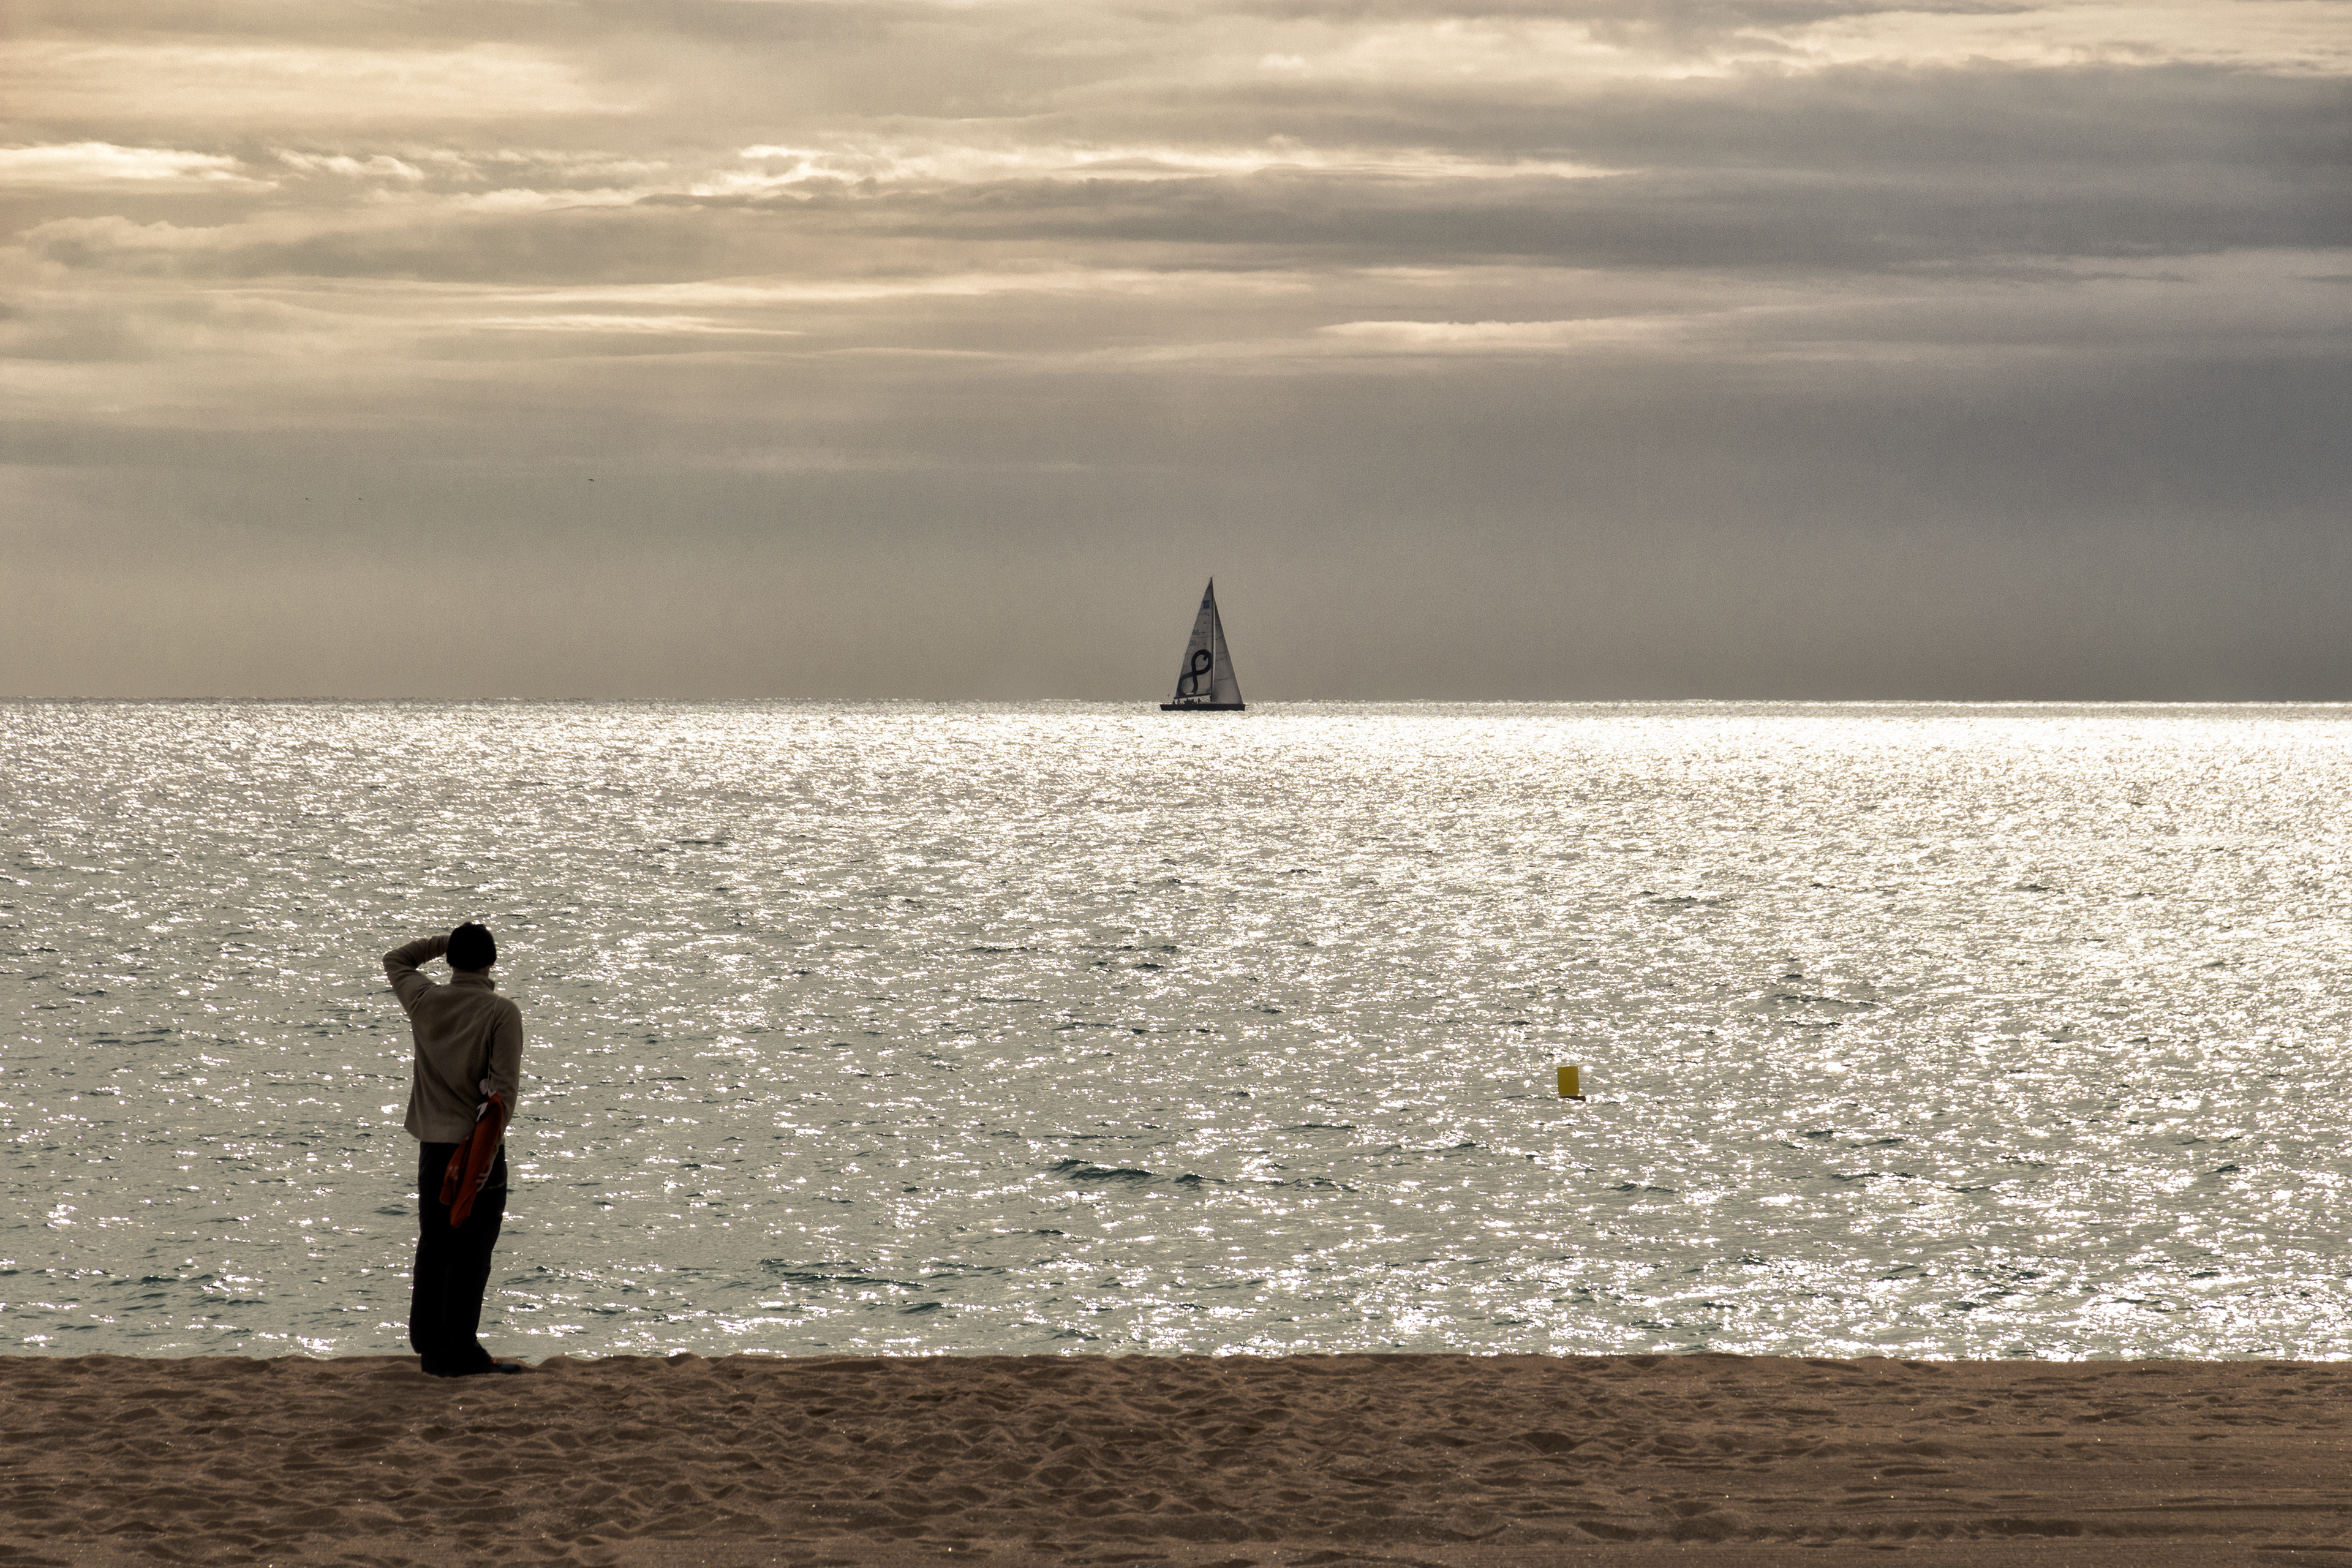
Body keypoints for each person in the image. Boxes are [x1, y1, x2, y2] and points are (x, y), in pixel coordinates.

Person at [385, 922, 526, 1376]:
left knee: (435, 1244)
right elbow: (503, 1095)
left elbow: (397, 959)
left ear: (450, 961)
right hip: (477, 1150)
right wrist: (486, 1157)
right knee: (472, 1250)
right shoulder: (501, 1013)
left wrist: (449, 943)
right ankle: (460, 1351)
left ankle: (430, 1345)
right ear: (493, 962)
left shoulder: (424, 1001)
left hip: (433, 1146)